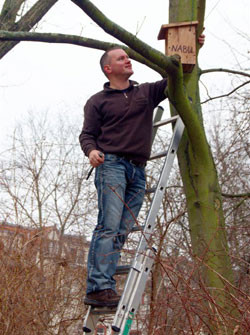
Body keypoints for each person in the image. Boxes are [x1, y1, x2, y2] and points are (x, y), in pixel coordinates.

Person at [79, 37, 205, 308]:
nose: (128, 59)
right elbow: (87, 135)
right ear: (108, 69)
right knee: (108, 226)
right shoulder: (97, 101)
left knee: (122, 230)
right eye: (120, 58)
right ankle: (99, 288)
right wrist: (91, 151)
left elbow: (177, 73)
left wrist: (193, 46)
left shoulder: (145, 93)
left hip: (138, 170)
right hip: (111, 165)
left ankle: (104, 285)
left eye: (128, 56)